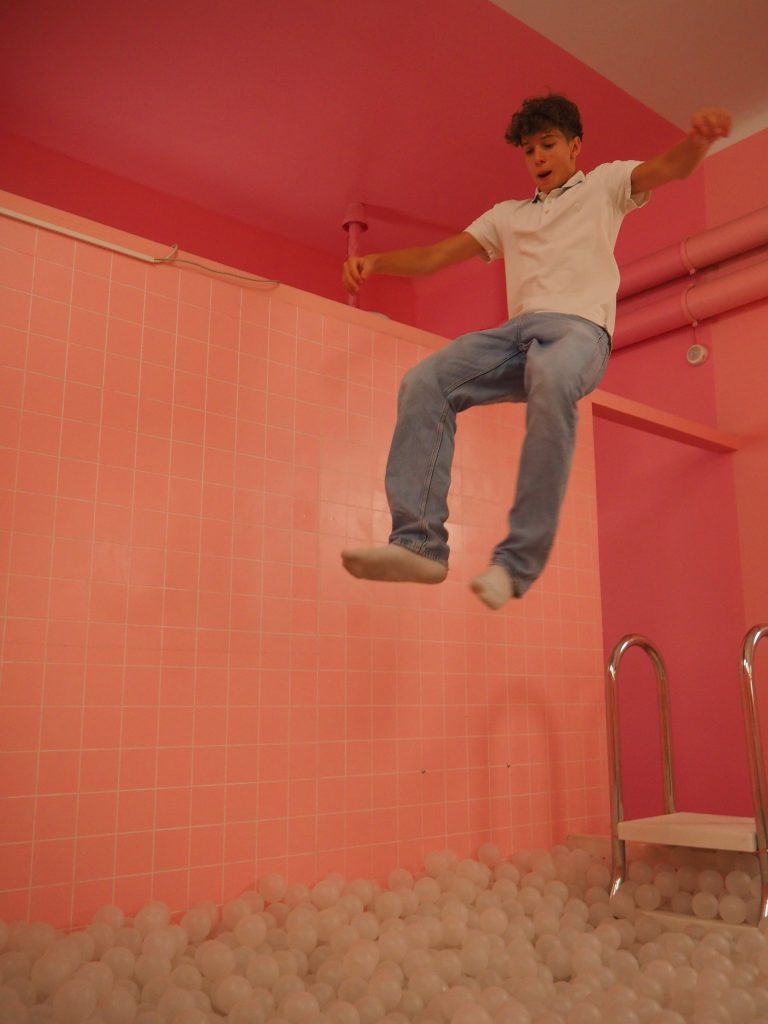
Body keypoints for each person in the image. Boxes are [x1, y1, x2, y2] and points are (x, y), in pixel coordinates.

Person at [340, 95, 731, 610]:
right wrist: (376, 263)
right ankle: (418, 544)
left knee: (551, 379)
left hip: (579, 334)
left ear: (574, 146)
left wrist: (698, 141)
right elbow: (436, 256)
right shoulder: (508, 216)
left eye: (548, 145)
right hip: (516, 337)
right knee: (424, 381)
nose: (539, 157)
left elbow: (668, 168)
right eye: (529, 151)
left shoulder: (606, 185)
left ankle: (515, 564)